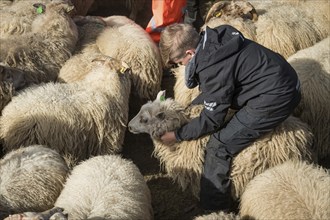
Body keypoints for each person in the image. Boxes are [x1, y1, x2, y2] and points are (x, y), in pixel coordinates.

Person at [159, 23, 301, 212]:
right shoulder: (218, 38)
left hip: (275, 97)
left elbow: (212, 120)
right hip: (278, 79)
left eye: (178, 62)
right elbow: (221, 87)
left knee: (219, 145)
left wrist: (177, 135)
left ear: (190, 54)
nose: (180, 66)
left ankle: (213, 209)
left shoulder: (213, 67)